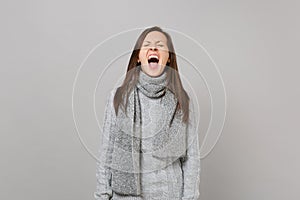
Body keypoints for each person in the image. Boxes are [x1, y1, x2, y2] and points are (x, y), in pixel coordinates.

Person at [94, 26, 200, 200]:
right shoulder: (118, 97)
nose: (153, 48)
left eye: (160, 45)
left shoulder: (182, 100)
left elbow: (191, 159)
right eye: (147, 45)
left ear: (168, 58)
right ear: (138, 57)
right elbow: (107, 154)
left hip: (169, 193)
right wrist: (101, 196)